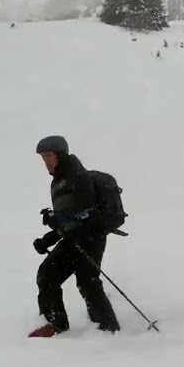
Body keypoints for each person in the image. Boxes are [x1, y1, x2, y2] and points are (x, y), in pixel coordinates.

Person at [30, 135, 121, 337]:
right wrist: (49, 238)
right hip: (74, 238)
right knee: (47, 275)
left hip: (91, 238)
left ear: (60, 154)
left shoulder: (77, 177)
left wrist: (56, 220)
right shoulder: (58, 182)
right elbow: (67, 221)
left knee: (87, 280)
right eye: (43, 157)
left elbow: (83, 214)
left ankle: (108, 329)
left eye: (48, 155)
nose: (46, 161)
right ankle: (55, 324)